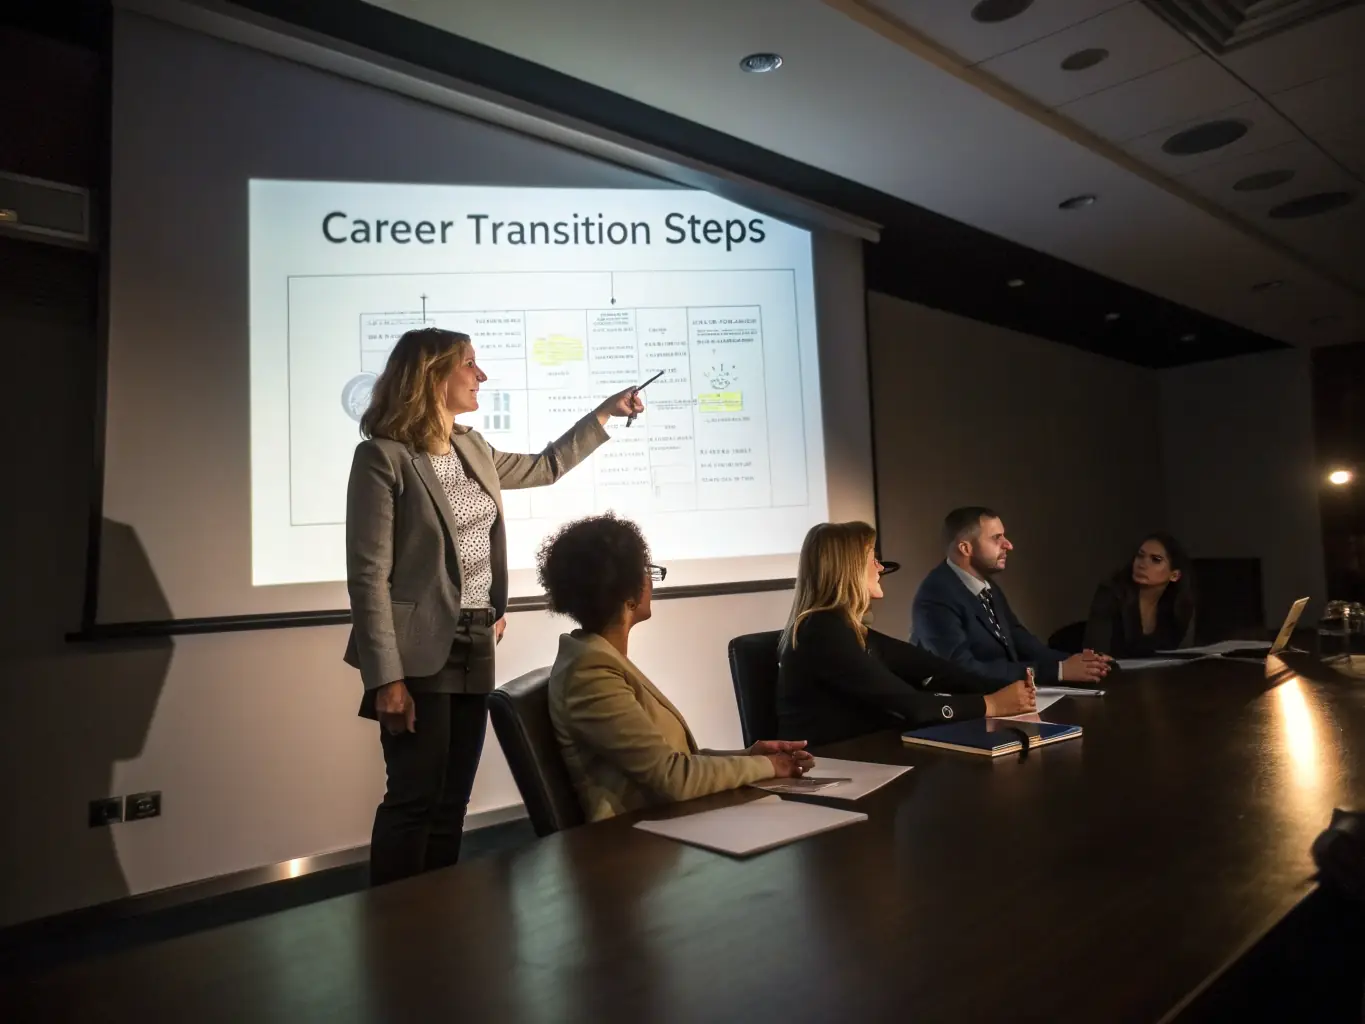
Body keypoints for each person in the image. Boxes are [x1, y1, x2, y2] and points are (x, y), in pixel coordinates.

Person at [344, 327, 643, 885]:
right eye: (470, 365)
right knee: (414, 797)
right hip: (416, 654)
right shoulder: (382, 459)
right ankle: (392, 926)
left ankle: (435, 913)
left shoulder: (471, 446)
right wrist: (385, 679)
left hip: (476, 642)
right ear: (433, 375)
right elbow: (368, 578)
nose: (481, 376)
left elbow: (547, 465)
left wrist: (605, 413)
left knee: (452, 799)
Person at [538, 513, 814, 823]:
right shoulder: (590, 674)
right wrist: (771, 767)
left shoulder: (599, 659)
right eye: (646, 570)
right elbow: (674, 778)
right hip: (637, 844)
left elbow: (675, 761)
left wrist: (750, 756)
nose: (650, 580)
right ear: (626, 590)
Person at [778, 521, 1036, 746]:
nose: (880, 568)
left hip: (860, 756)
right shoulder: (823, 633)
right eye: (872, 559)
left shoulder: (843, 628)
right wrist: (991, 704)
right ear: (849, 568)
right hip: (830, 767)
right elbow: (912, 706)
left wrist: (1003, 689)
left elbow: (932, 668)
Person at [911, 507, 1111, 685]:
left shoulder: (986, 585)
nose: (1008, 545)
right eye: (996, 538)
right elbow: (962, 670)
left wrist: (1077, 662)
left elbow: (1021, 641)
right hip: (961, 712)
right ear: (965, 548)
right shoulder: (935, 597)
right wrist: (1058, 671)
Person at [1084, 534, 1196, 658]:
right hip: (1114, 675)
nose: (1142, 565)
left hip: (1162, 675)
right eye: (1140, 556)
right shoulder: (1112, 594)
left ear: (1174, 575)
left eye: (1156, 560)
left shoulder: (1181, 604)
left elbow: (1185, 655)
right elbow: (1094, 655)